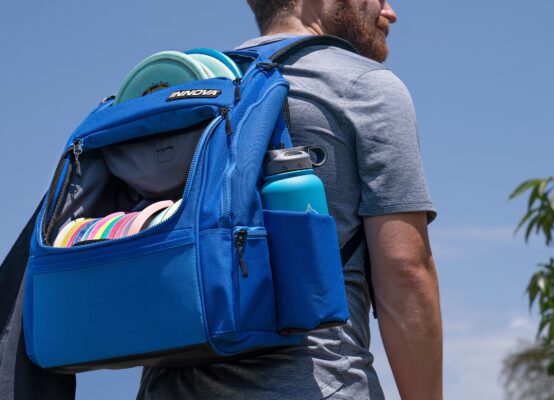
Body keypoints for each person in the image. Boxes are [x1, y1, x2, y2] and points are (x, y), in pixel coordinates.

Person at [137, 0, 443, 399]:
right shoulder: (363, 86)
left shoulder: (190, 88)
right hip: (317, 384)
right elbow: (405, 269)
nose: (390, 12)